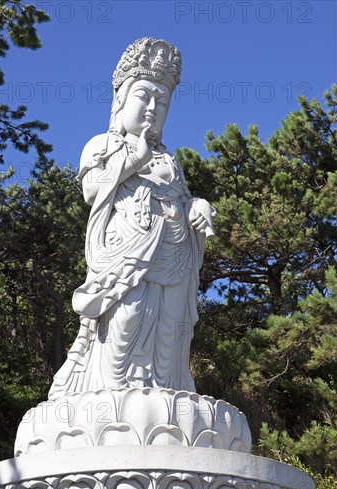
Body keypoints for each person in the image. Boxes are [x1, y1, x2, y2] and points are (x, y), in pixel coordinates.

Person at [49, 37, 215, 398]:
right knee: (127, 317)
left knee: (171, 327)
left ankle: (167, 393)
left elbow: (182, 199)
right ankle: (111, 393)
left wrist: (197, 206)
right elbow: (92, 190)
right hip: (128, 253)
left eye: (162, 100)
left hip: (174, 254)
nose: (153, 107)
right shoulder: (102, 145)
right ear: (121, 99)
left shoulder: (169, 161)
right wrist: (132, 161)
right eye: (144, 96)